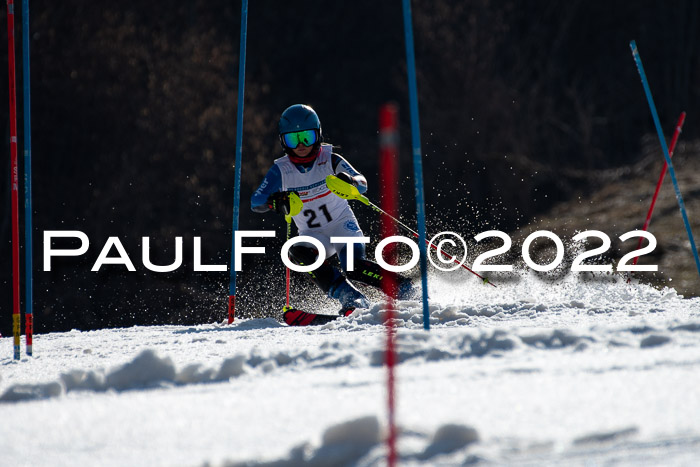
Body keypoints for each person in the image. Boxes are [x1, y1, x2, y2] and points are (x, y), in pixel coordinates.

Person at [251, 104, 414, 315]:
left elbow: (362, 182)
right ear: (283, 141)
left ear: (318, 135)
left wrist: (350, 182)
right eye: (293, 139)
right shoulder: (280, 171)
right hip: (312, 234)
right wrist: (274, 202)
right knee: (296, 251)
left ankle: (405, 289)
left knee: (354, 267)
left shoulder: (329, 158)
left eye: (307, 137)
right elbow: (256, 201)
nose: (301, 145)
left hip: (342, 225)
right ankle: (352, 299)